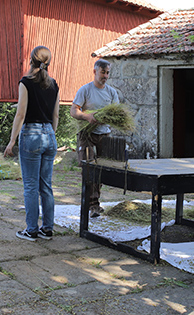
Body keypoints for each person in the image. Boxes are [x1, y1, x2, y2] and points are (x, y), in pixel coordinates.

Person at [4, 46, 60, 241]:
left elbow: (20, 114)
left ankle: (31, 229)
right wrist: (50, 135)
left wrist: (12, 141)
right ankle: (47, 228)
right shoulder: (54, 84)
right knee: (46, 186)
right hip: (49, 135)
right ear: (48, 62)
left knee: (30, 186)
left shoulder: (25, 82)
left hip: (31, 134)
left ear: (31, 60)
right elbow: (55, 115)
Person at [70, 59, 119, 218]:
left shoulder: (112, 93)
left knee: (101, 170)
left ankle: (94, 203)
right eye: (102, 72)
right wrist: (87, 116)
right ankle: (91, 205)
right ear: (95, 72)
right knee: (89, 169)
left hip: (104, 134)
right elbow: (74, 111)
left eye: (107, 73)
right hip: (87, 134)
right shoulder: (85, 90)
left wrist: (109, 119)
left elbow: (117, 114)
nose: (105, 75)